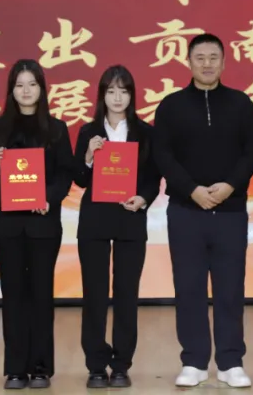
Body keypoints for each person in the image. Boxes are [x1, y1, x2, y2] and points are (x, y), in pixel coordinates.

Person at [152, 33, 253, 389]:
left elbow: (252, 151)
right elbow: (163, 154)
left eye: (214, 57)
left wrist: (229, 186)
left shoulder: (241, 104)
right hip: (186, 211)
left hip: (231, 212)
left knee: (230, 288)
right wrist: (192, 190)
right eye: (200, 57)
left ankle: (230, 361)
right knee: (189, 287)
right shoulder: (171, 106)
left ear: (224, 62)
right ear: (188, 62)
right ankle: (194, 361)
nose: (207, 64)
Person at [0, 59, 75, 389]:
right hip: (8, 224)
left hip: (43, 223)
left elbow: (66, 173)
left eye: (32, 84)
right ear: (11, 90)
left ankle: (41, 368)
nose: (25, 91)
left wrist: (49, 197)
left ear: (42, 89)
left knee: (41, 294)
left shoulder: (57, 128)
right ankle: (16, 369)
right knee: (13, 294)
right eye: (19, 85)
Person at [72, 65, 161, 389]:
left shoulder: (145, 132)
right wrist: (88, 155)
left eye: (123, 91)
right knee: (94, 295)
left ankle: (121, 364)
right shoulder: (88, 131)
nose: (117, 97)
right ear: (102, 96)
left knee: (126, 293)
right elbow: (80, 179)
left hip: (130, 219)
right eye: (111, 91)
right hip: (95, 221)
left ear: (132, 95)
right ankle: (96, 365)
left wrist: (143, 198)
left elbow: (153, 178)